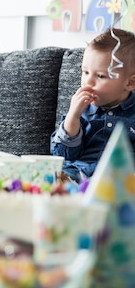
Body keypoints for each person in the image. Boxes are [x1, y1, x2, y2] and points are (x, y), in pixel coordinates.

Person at [51, 27, 135, 182]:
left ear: (130, 82)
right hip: (75, 176)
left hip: (117, 184)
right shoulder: (82, 109)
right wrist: (73, 117)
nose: (87, 82)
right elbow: (63, 155)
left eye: (100, 76)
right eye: (85, 72)